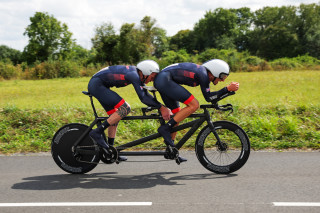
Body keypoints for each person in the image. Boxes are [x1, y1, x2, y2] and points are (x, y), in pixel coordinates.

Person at [154, 59, 239, 162]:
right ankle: (165, 128)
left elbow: (211, 98)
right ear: (215, 71)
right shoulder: (203, 74)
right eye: (222, 76)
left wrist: (226, 92)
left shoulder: (202, 73)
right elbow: (208, 98)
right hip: (165, 80)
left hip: (165, 79)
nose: (223, 80)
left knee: (177, 115)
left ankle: (171, 150)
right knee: (194, 105)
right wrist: (226, 89)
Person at [88, 60, 172, 161]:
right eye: (152, 77)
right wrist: (162, 108)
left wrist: (161, 107)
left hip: (100, 85)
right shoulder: (134, 75)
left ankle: (110, 151)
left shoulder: (137, 74)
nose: (151, 80)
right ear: (146, 73)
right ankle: (97, 132)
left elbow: (145, 95)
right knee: (125, 108)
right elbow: (143, 98)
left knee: (114, 118)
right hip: (97, 85)